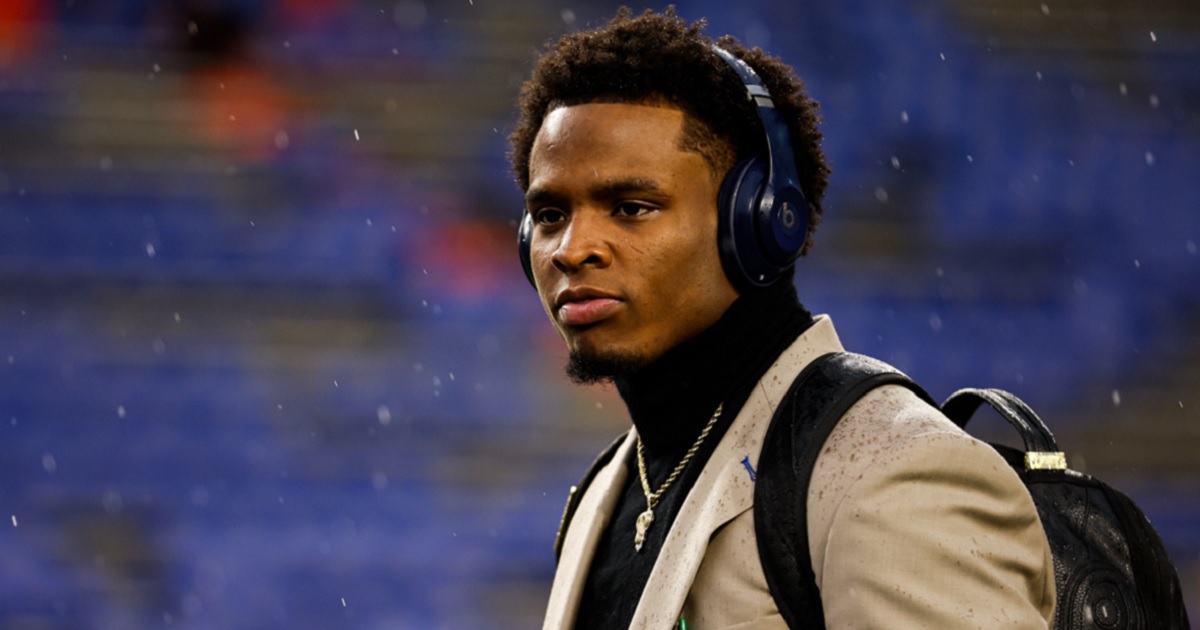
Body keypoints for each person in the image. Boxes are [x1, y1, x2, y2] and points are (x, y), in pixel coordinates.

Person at [508, 8, 1055, 629]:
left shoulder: (892, 468)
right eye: (550, 214)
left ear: (760, 222)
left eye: (631, 207)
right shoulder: (606, 489)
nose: (572, 248)